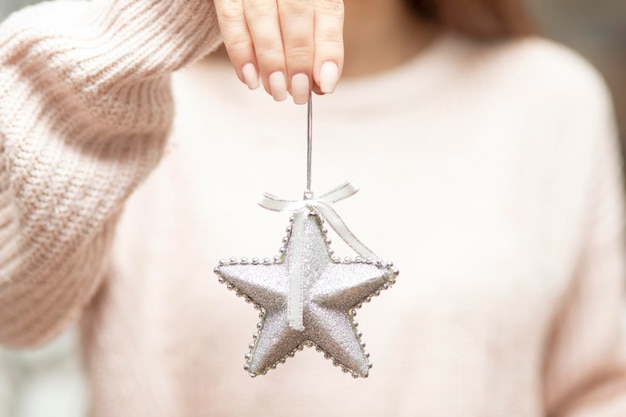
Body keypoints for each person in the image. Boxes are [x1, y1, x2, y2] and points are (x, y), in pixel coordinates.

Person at [1, 0, 625, 415]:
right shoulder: (120, 105)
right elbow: (12, 310)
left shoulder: (550, 101)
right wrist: (162, 19)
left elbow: (602, 387)